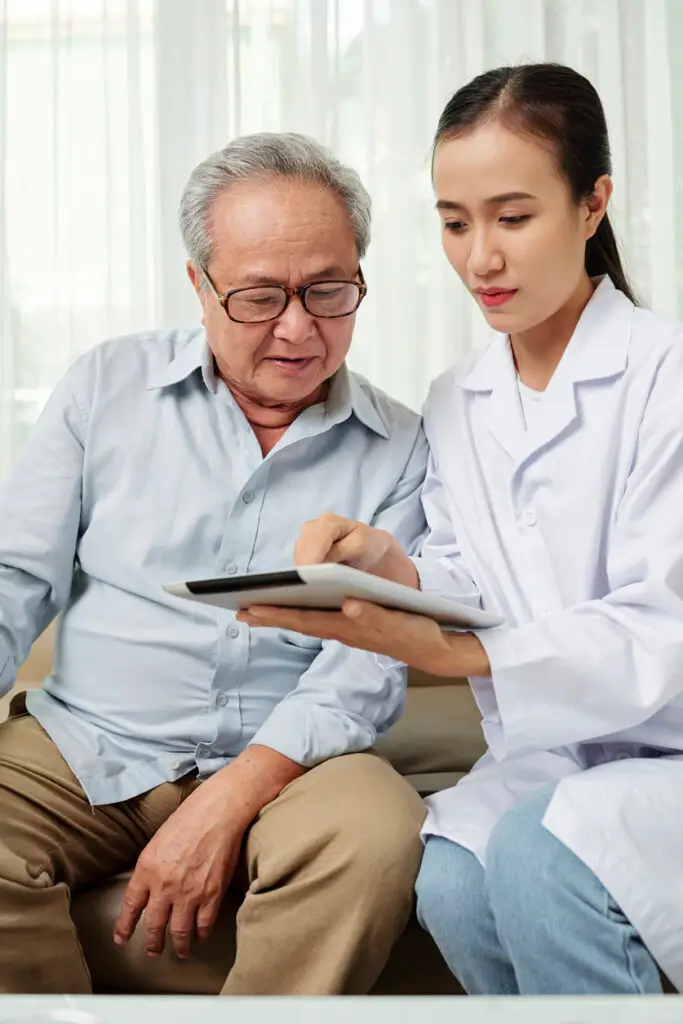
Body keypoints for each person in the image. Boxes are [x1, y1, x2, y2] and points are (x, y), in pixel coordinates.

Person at [237, 65, 683, 995]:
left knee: (536, 850)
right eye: (453, 222)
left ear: (592, 204)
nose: (480, 257)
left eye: (512, 218)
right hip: (562, 755)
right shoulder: (459, 400)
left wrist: (460, 658)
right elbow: (469, 575)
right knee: (451, 870)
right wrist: (385, 567)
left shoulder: (664, 376)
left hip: (668, 753)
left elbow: (660, 628)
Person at [0, 132, 428, 995]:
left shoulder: (405, 446)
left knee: (376, 833)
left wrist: (228, 797)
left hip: (292, 765)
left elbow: (364, 668)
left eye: (330, 290)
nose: (300, 328)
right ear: (200, 285)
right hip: (88, 742)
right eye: (261, 296)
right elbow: (15, 579)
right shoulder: (104, 389)